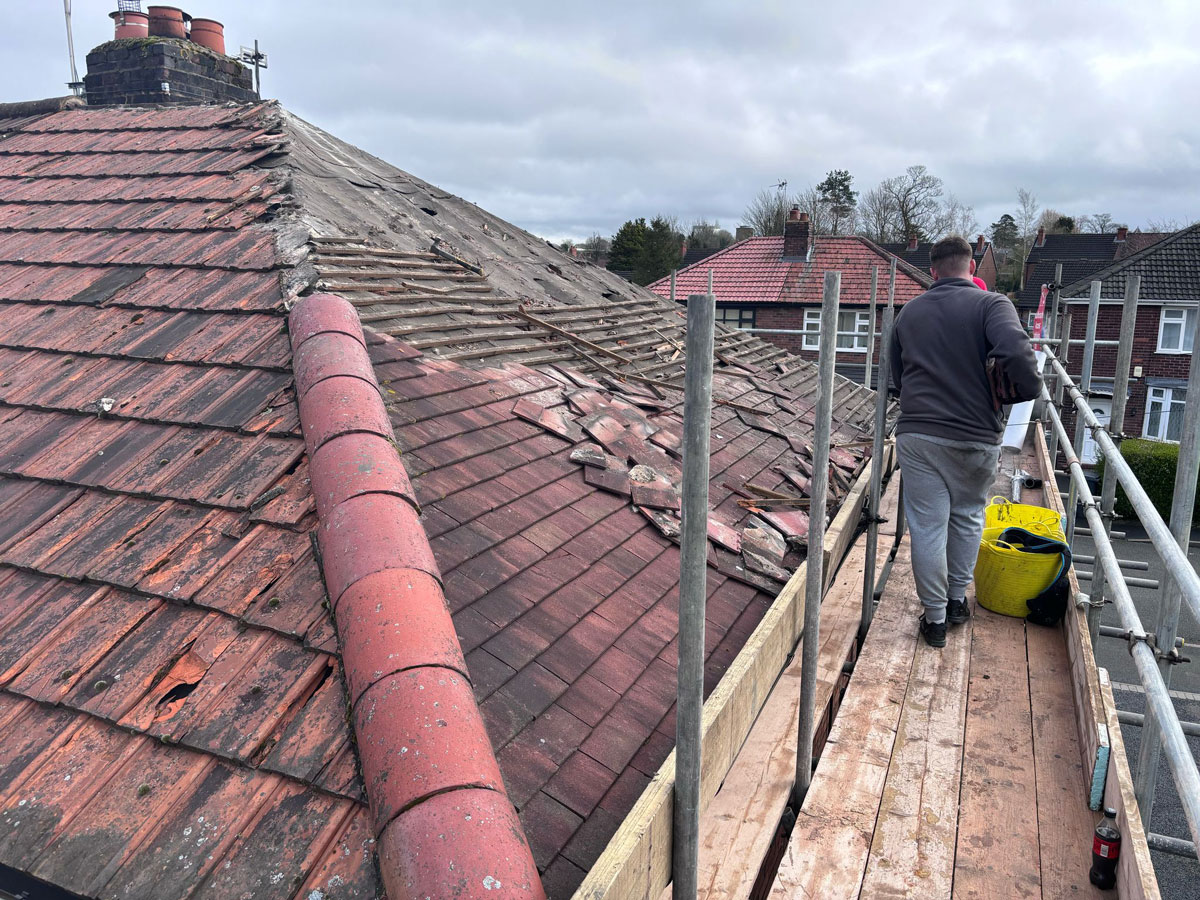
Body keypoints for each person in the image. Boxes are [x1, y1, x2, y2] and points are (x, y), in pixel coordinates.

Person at [890, 236, 1041, 647]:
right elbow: (1016, 350)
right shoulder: (992, 304)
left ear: (933, 272)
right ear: (971, 269)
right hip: (976, 436)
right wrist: (1022, 391)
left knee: (927, 527)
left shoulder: (909, 313)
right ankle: (958, 601)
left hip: (919, 435)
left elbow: (896, 379)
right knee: (969, 515)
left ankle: (935, 621)